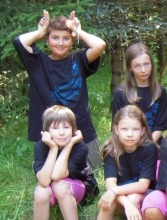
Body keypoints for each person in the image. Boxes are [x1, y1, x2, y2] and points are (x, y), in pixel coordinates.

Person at [13, 10, 106, 170]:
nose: (60, 43)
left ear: (72, 40)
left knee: (95, 170)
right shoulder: (38, 63)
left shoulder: (79, 59)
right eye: (55, 37)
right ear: (47, 40)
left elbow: (100, 45)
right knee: (53, 174)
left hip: (82, 129)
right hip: (52, 132)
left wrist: (78, 31)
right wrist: (41, 31)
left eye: (66, 38)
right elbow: (19, 42)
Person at [84, 106, 157, 220]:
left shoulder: (149, 148)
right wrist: (126, 203)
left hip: (145, 196)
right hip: (121, 196)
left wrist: (121, 196)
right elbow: (110, 185)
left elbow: (143, 185)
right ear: (116, 129)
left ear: (143, 130)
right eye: (124, 129)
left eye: (135, 129)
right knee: (108, 202)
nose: (130, 134)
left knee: (134, 197)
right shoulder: (111, 149)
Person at [26, 106, 99, 220]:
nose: (61, 132)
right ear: (46, 131)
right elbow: (44, 181)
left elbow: (57, 175)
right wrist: (53, 148)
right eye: (55, 128)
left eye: (66, 127)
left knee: (59, 185)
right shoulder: (41, 146)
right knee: (41, 191)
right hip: (53, 186)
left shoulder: (80, 147)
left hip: (81, 187)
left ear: (74, 130)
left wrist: (70, 145)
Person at [113, 43, 167, 143]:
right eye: (137, 66)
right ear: (130, 67)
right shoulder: (121, 93)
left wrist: (147, 146)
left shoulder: (160, 92)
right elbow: (117, 125)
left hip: (153, 144)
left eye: (146, 64)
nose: (143, 70)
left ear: (152, 64)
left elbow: (160, 126)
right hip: (128, 144)